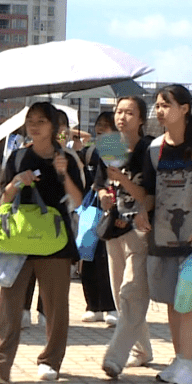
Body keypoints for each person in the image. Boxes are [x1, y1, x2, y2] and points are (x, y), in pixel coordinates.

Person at [0, 102, 83, 384]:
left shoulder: (67, 157)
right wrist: (17, 182)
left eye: (41, 121)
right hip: (18, 236)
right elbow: (3, 198)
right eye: (30, 120)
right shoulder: (18, 157)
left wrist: (64, 173)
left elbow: (79, 200)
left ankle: (50, 361)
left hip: (55, 239)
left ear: (55, 126)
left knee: (55, 304)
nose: (34, 125)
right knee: (9, 302)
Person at [137, 85, 192, 384]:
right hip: (161, 237)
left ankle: (187, 365)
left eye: (166, 104)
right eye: (157, 105)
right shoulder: (153, 148)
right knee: (173, 302)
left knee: (188, 300)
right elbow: (150, 193)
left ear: (185, 108)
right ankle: (178, 359)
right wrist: (141, 212)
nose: (159, 110)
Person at [99, 96, 156, 378]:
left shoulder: (149, 148)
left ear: (142, 119)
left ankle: (115, 357)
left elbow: (147, 195)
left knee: (131, 291)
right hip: (113, 227)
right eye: (119, 111)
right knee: (121, 295)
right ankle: (143, 350)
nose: (122, 117)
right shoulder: (109, 145)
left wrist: (122, 179)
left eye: (130, 112)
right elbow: (99, 184)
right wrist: (103, 196)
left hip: (139, 228)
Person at [79, 112, 118, 325]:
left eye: (106, 125)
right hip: (91, 212)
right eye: (98, 125)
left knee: (107, 261)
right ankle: (92, 305)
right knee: (89, 259)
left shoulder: (120, 152)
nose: (101, 129)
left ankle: (112, 306)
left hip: (114, 214)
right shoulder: (90, 152)